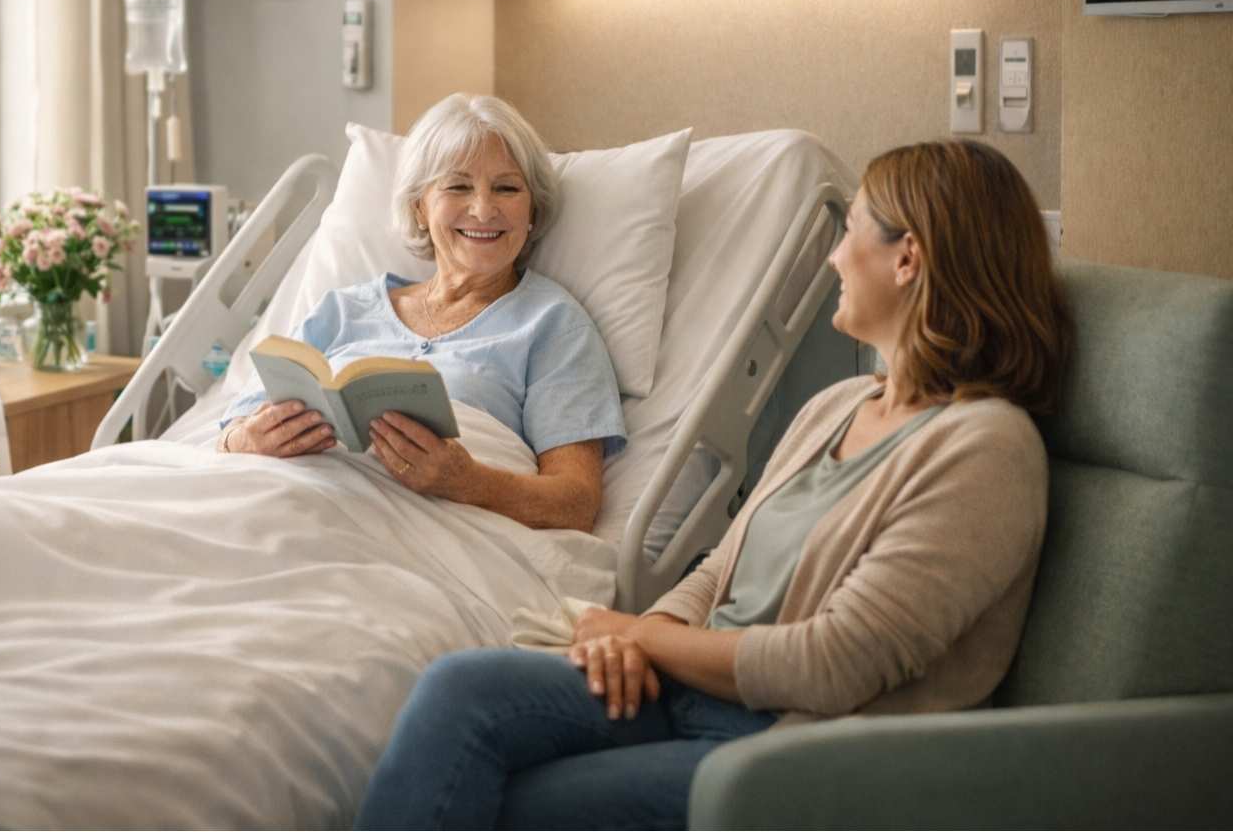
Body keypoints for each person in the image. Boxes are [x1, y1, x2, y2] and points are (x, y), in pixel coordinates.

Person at [355, 138, 1073, 829]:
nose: (834, 256)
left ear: (906, 259)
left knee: (516, 804)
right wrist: (650, 637)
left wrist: (640, 635)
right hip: (690, 691)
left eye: (851, 230)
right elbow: (719, 569)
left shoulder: (985, 449)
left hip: (797, 748)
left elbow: (832, 667)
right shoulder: (841, 406)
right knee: (458, 690)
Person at [216, 93, 626, 533]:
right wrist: (246, 440)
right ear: (420, 207)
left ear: (532, 211)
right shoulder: (344, 310)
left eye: (506, 188)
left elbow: (576, 503)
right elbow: (231, 431)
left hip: (407, 534)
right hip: (283, 501)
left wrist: (469, 482)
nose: (483, 209)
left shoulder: (553, 326)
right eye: (458, 187)